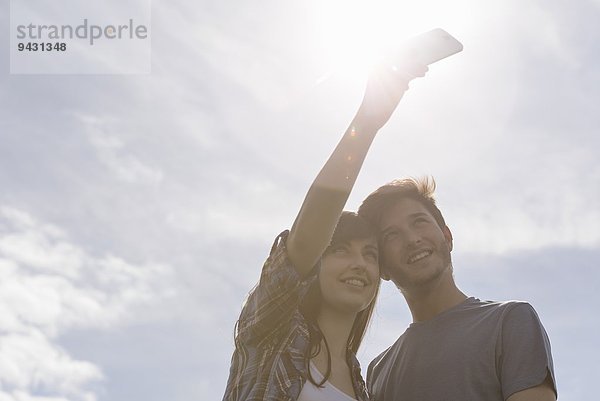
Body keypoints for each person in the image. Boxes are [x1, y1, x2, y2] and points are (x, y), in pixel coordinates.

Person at [222, 60, 429, 401]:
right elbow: (308, 231)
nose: (359, 264)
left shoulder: (366, 388)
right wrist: (367, 123)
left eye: (370, 254)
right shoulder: (274, 332)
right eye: (340, 250)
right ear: (317, 261)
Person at [357, 178, 558, 401]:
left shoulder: (510, 321)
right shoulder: (378, 371)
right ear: (382, 268)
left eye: (419, 222)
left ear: (447, 236)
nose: (412, 239)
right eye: (391, 235)